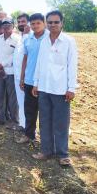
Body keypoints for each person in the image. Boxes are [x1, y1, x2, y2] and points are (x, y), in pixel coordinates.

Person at [31, 10, 78, 166]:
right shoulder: (44, 41)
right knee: (44, 121)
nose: (52, 25)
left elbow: (72, 65)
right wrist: (36, 83)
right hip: (44, 87)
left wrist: (71, 88)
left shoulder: (69, 41)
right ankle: (46, 150)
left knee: (61, 123)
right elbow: (39, 63)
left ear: (62, 23)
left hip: (60, 89)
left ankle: (63, 154)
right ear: (46, 23)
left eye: (56, 22)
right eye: (50, 22)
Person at [16, 13, 48, 144]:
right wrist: (22, 78)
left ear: (44, 23)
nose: (35, 26)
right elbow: (25, 59)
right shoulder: (28, 39)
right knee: (29, 110)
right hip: (29, 80)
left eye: (38, 23)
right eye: (33, 23)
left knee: (45, 113)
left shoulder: (49, 38)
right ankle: (29, 135)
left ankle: (46, 141)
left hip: (45, 82)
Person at [0, 18, 20, 128]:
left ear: (13, 26)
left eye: (8, 25)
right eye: (4, 25)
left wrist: (2, 64)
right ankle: (0, 118)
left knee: (12, 98)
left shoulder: (17, 39)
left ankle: (14, 121)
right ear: (2, 27)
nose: (6, 27)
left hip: (11, 72)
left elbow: (16, 55)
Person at [12, 13, 30, 129]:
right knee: (21, 101)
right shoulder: (20, 37)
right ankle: (22, 125)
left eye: (23, 21)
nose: (21, 24)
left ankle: (28, 127)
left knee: (28, 104)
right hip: (17, 75)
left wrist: (23, 77)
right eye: (19, 22)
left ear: (28, 22)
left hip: (27, 77)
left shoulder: (31, 37)